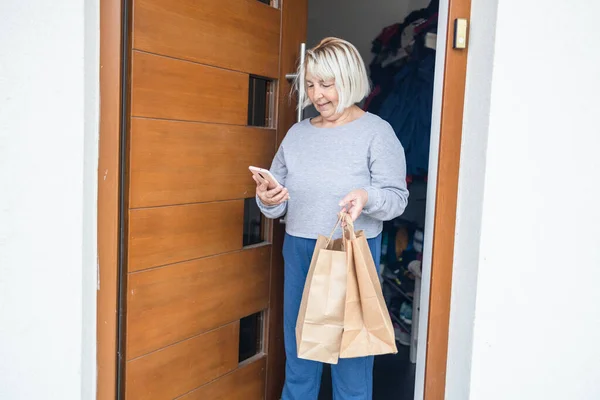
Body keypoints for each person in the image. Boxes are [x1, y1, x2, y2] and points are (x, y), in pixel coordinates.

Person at [254, 37, 409, 400]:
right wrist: (268, 198)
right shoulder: (297, 134)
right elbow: (279, 204)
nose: (317, 95)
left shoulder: (377, 132)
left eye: (327, 83)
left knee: (351, 361)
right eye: (310, 84)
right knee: (301, 358)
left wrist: (367, 197)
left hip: (353, 253)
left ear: (350, 78)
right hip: (300, 249)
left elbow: (397, 200)